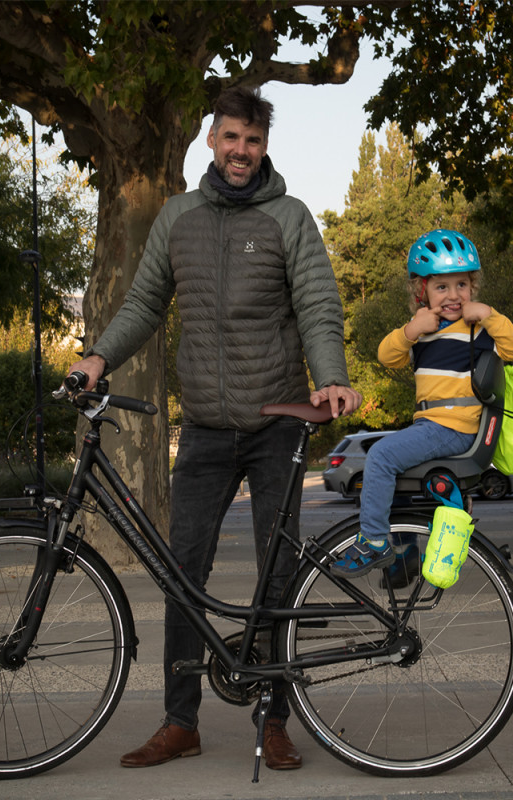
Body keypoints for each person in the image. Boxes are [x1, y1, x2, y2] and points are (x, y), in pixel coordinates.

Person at [69, 87, 362, 770]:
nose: (241, 152)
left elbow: (318, 303)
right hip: (202, 426)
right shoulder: (177, 217)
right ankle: (181, 722)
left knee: (277, 571)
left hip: (276, 421)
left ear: (264, 147)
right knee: (182, 574)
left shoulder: (289, 217)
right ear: (211, 138)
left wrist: (332, 375)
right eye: (231, 138)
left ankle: (277, 717)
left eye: (253, 141)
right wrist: (98, 355)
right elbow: (144, 301)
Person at [331, 229, 513, 577]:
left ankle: (374, 542)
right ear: (422, 291)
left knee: (380, 456)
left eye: (462, 286)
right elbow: (386, 356)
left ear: (473, 288)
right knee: (394, 472)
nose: (453, 296)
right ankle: (404, 555)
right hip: (431, 427)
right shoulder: (422, 332)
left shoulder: (477, 330)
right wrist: (411, 330)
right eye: (441, 287)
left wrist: (490, 315)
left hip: (456, 428)